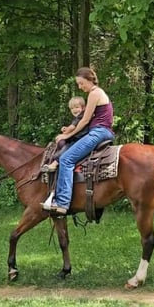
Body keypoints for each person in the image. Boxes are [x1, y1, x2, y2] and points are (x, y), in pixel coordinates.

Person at [42, 67, 114, 215]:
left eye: (81, 83)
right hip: (100, 131)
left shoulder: (94, 93)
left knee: (66, 159)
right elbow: (81, 120)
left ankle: (62, 202)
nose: (80, 87)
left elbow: (85, 120)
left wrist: (66, 136)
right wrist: (69, 130)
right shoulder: (97, 93)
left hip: (98, 132)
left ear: (89, 80)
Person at [44, 96, 87, 172]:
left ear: (83, 108)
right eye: (72, 108)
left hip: (81, 138)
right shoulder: (77, 117)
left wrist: (66, 130)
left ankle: (55, 163)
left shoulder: (81, 116)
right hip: (76, 137)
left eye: (77, 107)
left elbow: (72, 127)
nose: (74, 110)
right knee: (61, 143)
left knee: (68, 147)